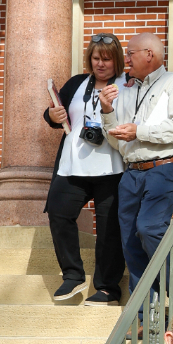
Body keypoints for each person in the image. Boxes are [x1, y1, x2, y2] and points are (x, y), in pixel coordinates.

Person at [101, 32, 173, 293]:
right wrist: (107, 111)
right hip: (131, 173)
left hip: (163, 169)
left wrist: (139, 132)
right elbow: (118, 140)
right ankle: (144, 311)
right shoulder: (128, 90)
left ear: (150, 54)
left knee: (149, 229)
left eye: (130, 53)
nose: (126, 59)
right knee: (130, 242)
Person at [43, 32, 127, 304]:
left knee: (109, 228)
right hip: (72, 165)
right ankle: (72, 275)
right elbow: (56, 112)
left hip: (112, 168)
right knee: (58, 211)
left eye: (106, 59)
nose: (100, 64)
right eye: (95, 58)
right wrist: (52, 115)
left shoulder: (128, 85)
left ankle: (107, 288)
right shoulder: (77, 83)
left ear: (117, 61)